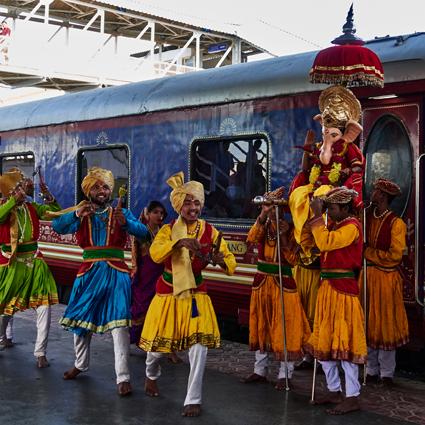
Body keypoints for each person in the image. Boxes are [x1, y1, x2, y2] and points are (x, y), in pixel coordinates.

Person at [139, 171, 236, 417]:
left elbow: (229, 260)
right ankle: (151, 375)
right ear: (179, 206)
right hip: (168, 296)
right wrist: (178, 244)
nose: (193, 207)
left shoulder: (210, 231)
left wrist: (220, 260)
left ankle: (193, 399)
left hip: (196, 295)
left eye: (197, 203)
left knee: (199, 347)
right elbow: (156, 254)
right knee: (157, 351)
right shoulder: (168, 230)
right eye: (188, 203)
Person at [51, 167, 149, 396]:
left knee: (120, 326)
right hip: (89, 274)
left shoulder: (122, 212)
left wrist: (127, 223)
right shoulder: (81, 212)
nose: (102, 191)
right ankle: (80, 364)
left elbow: (144, 232)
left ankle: (123, 377)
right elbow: (57, 227)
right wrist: (76, 215)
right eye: (96, 187)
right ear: (88, 191)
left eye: (105, 186)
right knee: (81, 323)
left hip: (116, 274)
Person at [241, 187, 311, 389]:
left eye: (273, 207)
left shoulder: (291, 229)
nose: (270, 210)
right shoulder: (263, 225)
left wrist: (284, 238)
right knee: (261, 324)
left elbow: (293, 259)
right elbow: (252, 239)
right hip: (263, 282)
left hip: (283, 284)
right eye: (267, 207)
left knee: (285, 327)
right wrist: (262, 216)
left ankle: (285, 374)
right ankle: (259, 370)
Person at [307, 186, 366, 415]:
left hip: (343, 292)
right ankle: (334, 389)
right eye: (327, 208)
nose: (328, 212)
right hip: (327, 290)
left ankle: (352, 396)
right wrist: (315, 217)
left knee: (345, 345)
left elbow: (325, 243)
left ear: (344, 208)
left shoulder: (352, 227)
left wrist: (316, 217)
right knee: (324, 341)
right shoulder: (332, 224)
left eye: (331, 208)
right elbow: (309, 240)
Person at [289, 86, 365, 261]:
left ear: (347, 132)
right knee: (297, 195)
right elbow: (306, 170)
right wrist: (307, 150)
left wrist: (346, 172)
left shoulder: (348, 146)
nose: (327, 137)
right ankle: (304, 240)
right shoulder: (319, 146)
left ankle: (320, 238)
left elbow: (357, 168)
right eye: (325, 133)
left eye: (332, 134)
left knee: (321, 195)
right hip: (316, 182)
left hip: (334, 185)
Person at [0, 168, 60, 367]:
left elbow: (55, 213)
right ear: (10, 191)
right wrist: (11, 202)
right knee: (5, 308)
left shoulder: (32, 207)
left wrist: (48, 195)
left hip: (35, 262)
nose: (22, 189)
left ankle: (41, 353)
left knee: (44, 307)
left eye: (22, 186)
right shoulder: (3, 207)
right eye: (18, 187)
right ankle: (2, 338)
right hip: (11, 264)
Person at [361, 178, 409, 385]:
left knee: (385, 325)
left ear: (382, 196)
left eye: (375, 192)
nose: (372, 194)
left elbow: (395, 256)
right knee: (369, 324)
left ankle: (387, 373)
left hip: (386, 279)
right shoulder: (366, 217)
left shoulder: (396, 223)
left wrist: (368, 253)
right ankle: (371, 369)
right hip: (368, 278)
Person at [129, 200, 181, 364]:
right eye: (156, 212)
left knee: (166, 312)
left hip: (161, 275)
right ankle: (144, 341)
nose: (159, 216)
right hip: (145, 276)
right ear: (148, 214)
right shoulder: (142, 232)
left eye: (162, 213)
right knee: (144, 309)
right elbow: (137, 251)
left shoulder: (165, 232)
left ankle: (170, 350)